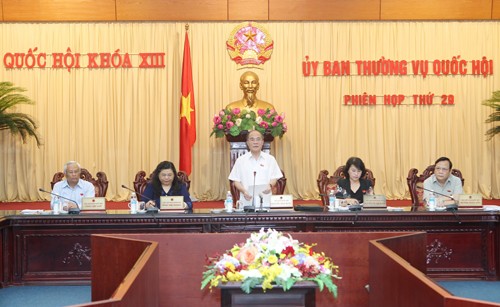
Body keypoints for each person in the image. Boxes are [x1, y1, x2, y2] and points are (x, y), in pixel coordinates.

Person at [228, 130, 283, 205]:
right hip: (246, 200)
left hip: (266, 200)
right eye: (252, 139)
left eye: (258, 139)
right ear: (247, 142)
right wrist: (244, 191)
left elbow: (274, 177)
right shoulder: (240, 160)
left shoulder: (270, 159)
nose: (255, 142)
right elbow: (236, 181)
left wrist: (270, 185)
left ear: (262, 142)